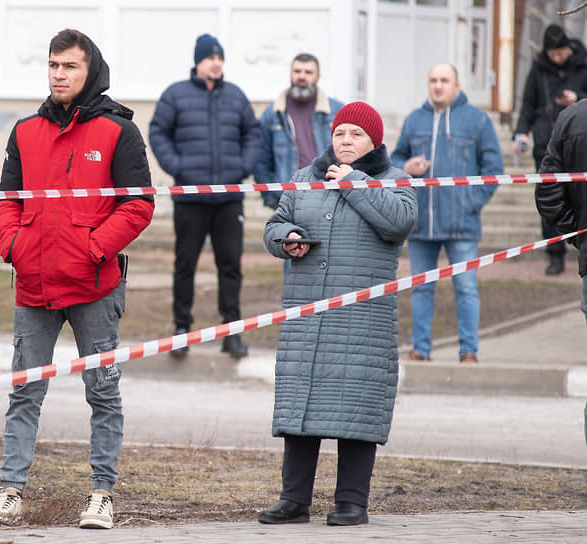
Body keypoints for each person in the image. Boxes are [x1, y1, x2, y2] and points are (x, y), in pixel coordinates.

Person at [0, 29, 154, 529]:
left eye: (69, 66)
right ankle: (10, 490)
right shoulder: (25, 129)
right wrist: (13, 243)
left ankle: (102, 493)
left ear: (89, 70)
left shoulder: (118, 131)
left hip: (94, 285)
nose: (59, 74)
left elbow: (139, 204)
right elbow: (7, 197)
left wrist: (94, 248)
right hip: (34, 285)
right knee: (24, 392)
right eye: (53, 64)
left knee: (102, 390)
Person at [260, 101, 417, 527]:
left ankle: (351, 502)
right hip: (307, 314)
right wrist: (287, 238)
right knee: (301, 410)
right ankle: (293, 500)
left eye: (357, 135)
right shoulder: (302, 179)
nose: (346, 141)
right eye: (340, 133)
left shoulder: (394, 181)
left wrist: (357, 184)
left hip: (363, 319)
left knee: (356, 409)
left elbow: (398, 223)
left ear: (374, 141)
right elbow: (274, 224)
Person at [149, 33, 261, 359]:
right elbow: (158, 132)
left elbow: (252, 133)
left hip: (229, 199)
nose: (216, 63)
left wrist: (243, 167)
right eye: (210, 58)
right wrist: (177, 167)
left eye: (220, 58)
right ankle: (181, 329)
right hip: (190, 198)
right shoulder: (175, 95)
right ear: (198, 62)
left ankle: (231, 333)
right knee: (185, 265)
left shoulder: (235, 96)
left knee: (231, 266)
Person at [391, 63, 503, 364]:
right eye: (433, 80)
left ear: (457, 85)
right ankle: (420, 349)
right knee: (420, 289)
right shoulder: (414, 120)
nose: (437, 86)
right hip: (420, 224)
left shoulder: (477, 121)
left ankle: (468, 350)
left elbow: (493, 170)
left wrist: (471, 201)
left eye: (444, 80)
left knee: (466, 288)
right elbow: (395, 159)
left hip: (461, 224)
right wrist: (405, 168)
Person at [515, 24, 587, 275]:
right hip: (546, 142)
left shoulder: (582, 63)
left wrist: (576, 97)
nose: (557, 59)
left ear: (569, 48)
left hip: (579, 144)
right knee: (550, 199)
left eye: (561, 53)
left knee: (580, 198)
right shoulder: (538, 69)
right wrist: (521, 131)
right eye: (552, 55)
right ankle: (555, 254)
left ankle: (580, 245)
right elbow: (528, 103)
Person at [255, 53, 343, 210]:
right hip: (289, 202)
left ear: (318, 77)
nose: (302, 77)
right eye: (297, 71)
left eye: (308, 72)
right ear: (290, 74)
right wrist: (271, 199)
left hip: (329, 199)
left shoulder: (336, 112)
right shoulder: (273, 114)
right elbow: (261, 162)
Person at [536, 98, 587, 322]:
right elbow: (549, 194)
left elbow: (548, 195)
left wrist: (580, 234)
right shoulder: (572, 119)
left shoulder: (571, 118)